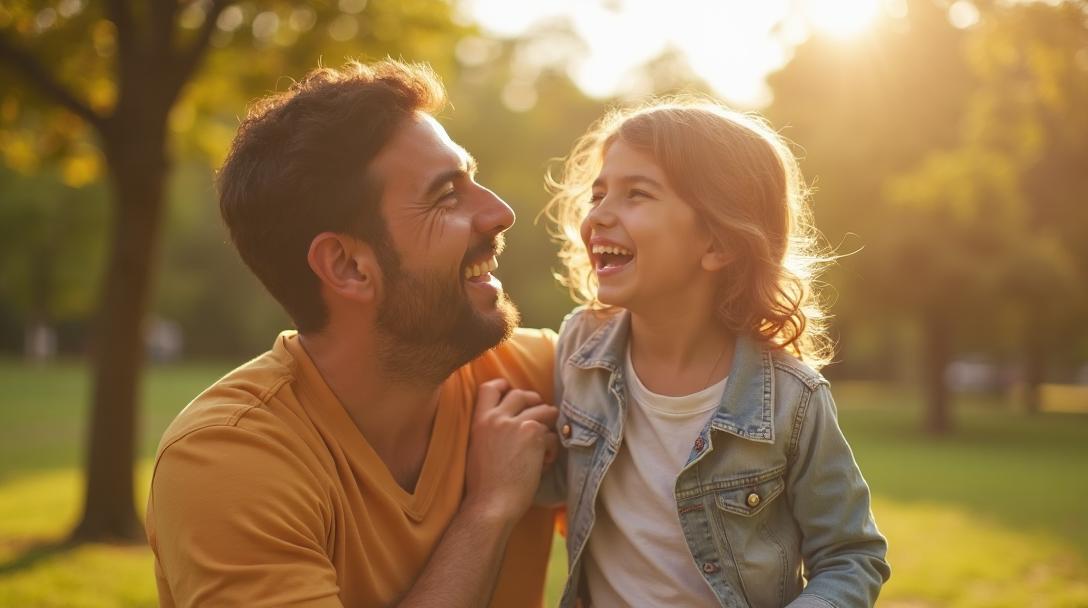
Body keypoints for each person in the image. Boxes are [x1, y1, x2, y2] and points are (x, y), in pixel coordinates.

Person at [145, 60, 561, 607]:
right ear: (347, 266)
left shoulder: (543, 376)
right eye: (446, 195)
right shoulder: (225, 461)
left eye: (472, 179)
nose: (500, 213)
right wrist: (487, 511)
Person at [540, 99, 891, 607]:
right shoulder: (579, 349)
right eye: (598, 194)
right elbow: (559, 481)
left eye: (636, 194)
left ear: (718, 243)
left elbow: (851, 554)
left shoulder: (791, 401)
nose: (598, 216)